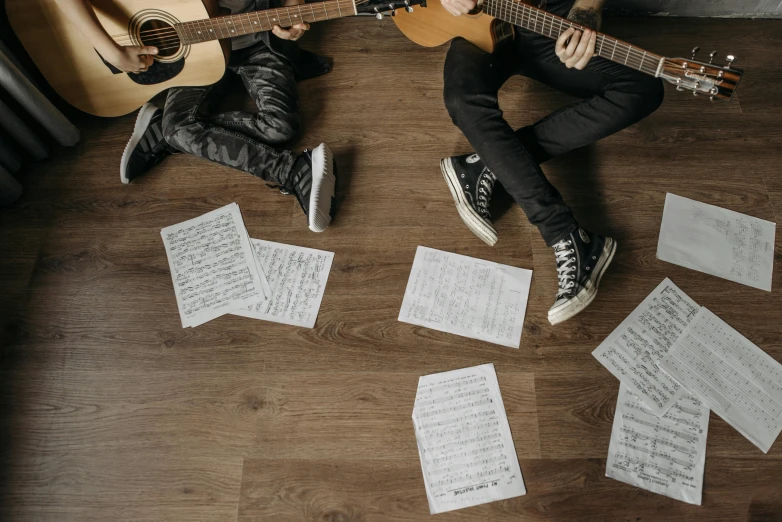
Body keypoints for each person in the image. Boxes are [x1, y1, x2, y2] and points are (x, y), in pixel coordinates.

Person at [438, 0, 664, 324]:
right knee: (462, 99)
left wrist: (587, 8)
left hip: (550, 23)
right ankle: (566, 235)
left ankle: (490, 162)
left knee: (644, 87)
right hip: (482, 24)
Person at [55, 0, 337, 233]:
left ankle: (167, 131)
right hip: (193, 54)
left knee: (281, 129)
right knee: (180, 128)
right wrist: (110, 50)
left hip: (257, 41)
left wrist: (292, 5)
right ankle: (292, 171)